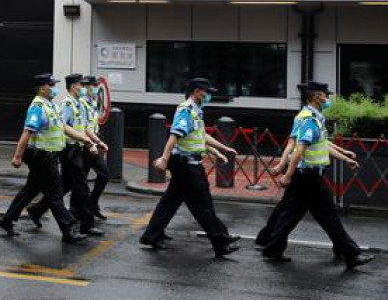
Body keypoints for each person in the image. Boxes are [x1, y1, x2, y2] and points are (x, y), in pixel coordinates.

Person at [261, 81, 374, 269]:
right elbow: (298, 150)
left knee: (292, 214)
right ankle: (351, 254)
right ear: (316, 97)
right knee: (328, 217)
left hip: (307, 176)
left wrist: (345, 157)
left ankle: (272, 249)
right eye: (325, 94)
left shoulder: (310, 117)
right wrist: (287, 174)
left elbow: (322, 144)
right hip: (309, 177)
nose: (327, 98)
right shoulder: (310, 120)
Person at [139, 78, 240, 257]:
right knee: (202, 204)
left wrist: (221, 150)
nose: (208, 95)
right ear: (195, 91)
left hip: (188, 164)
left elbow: (201, 137)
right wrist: (164, 158)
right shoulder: (186, 110)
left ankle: (151, 235)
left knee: (170, 202)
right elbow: (174, 135)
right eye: (206, 92)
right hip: (186, 166)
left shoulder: (196, 111)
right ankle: (221, 241)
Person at [25, 74, 104, 236]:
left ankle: (36, 210)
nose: (84, 88)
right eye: (81, 85)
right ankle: (87, 224)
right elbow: (64, 127)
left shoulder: (79, 104)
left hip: (79, 148)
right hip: (69, 150)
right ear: (74, 86)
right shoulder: (66, 104)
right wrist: (85, 140)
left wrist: (94, 141)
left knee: (64, 187)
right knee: (81, 187)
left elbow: (85, 127)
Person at [82, 76, 111, 220]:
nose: (94, 88)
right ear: (86, 87)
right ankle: (85, 209)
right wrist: (96, 143)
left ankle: (91, 205)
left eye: (95, 86)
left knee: (104, 175)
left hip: (92, 142)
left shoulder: (92, 102)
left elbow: (93, 125)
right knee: (75, 183)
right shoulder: (81, 103)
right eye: (92, 86)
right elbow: (85, 128)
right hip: (85, 145)